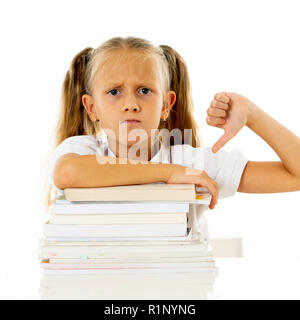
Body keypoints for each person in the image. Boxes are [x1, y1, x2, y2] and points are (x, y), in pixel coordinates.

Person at [44, 36, 300, 242]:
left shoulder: (192, 163)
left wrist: (253, 115)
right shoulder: (83, 150)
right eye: (114, 92)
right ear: (92, 108)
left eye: (145, 91)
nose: (131, 104)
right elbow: (67, 173)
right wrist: (171, 173)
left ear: (166, 105)